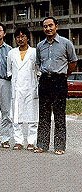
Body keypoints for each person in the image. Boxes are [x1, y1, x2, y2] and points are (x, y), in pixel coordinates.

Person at [34, 17, 77, 155]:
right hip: (45, 80)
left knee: (59, 114)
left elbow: (73, 62)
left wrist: (65, 75)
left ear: (56, 26)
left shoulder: (66, 43)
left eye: (50, 25)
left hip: (59, 80)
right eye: (45, 26)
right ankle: (42, 145)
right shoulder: (40, 45)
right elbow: (38, 63)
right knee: (44, 114)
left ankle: (59, 146)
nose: (48, 28)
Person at [7, 27, 39, 150]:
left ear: (27, 38)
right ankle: (18, 141)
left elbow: (38, 70)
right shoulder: (11, 53)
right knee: (16, 115)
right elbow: (9, 71)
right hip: (17, 88)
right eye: (18, 37)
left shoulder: (35, 52)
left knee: (32, 116)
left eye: (23, 36)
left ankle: (31, 142)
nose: (20, 39)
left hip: (31, 87)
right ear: (15, 39)